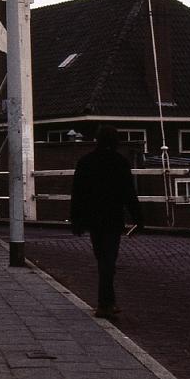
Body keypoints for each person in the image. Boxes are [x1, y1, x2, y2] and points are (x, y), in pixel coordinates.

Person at [70, 125, 144, 319]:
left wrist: (76, 220)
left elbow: (77, 194)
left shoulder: (85, 162)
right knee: (108, 261)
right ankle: (105, 304)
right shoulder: (120, 162)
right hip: (112, 218)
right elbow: (129, 193)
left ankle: (108, 302)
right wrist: (138, 218)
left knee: (102, 258)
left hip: (93, 219)